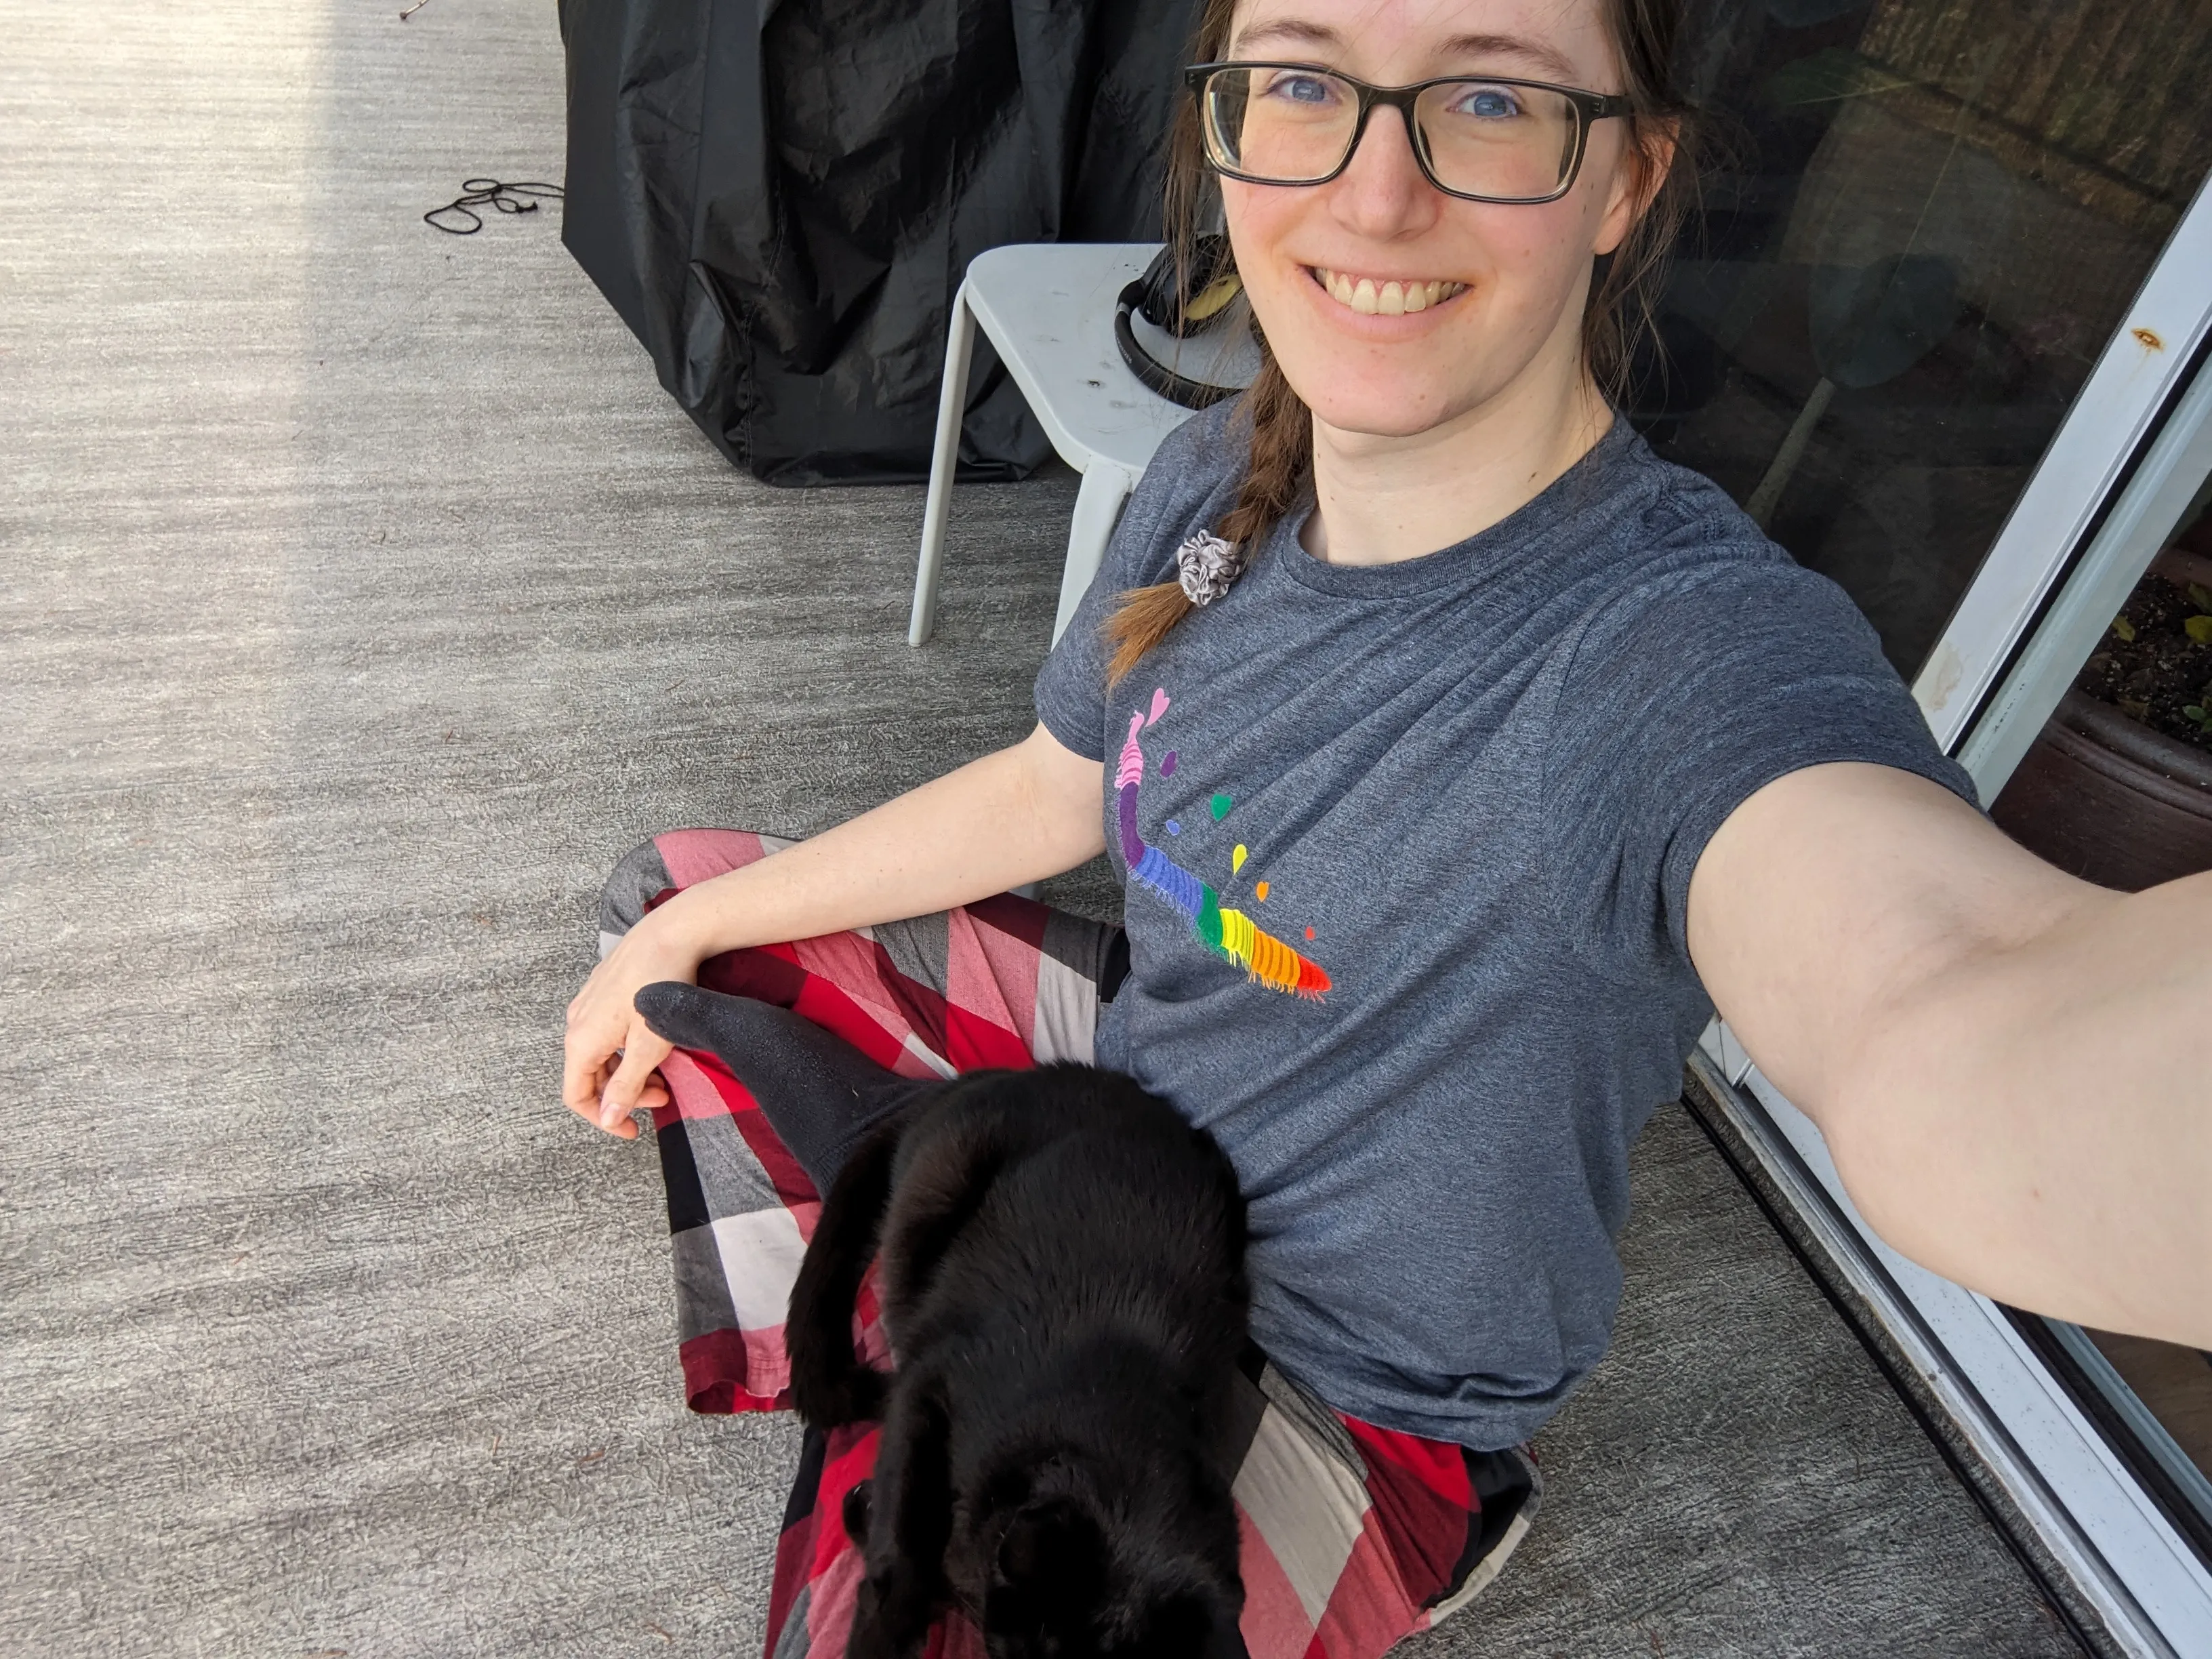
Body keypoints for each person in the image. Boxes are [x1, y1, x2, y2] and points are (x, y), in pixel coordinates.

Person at [567, 0, 2211, 1645]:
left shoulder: (1672, 653)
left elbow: (1955, 995)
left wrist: (2016, 1061)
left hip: (1346, 1381)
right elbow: (1054, 784)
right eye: (1302, 82)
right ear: (1222, 127)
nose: (1372, 195)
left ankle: (1344, 1489)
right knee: (689, 913)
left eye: (1488, 99)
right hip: (1137, 1128)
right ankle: (937, 1303)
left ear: (1628, 176)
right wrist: (693, 932)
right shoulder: (1215, 478)